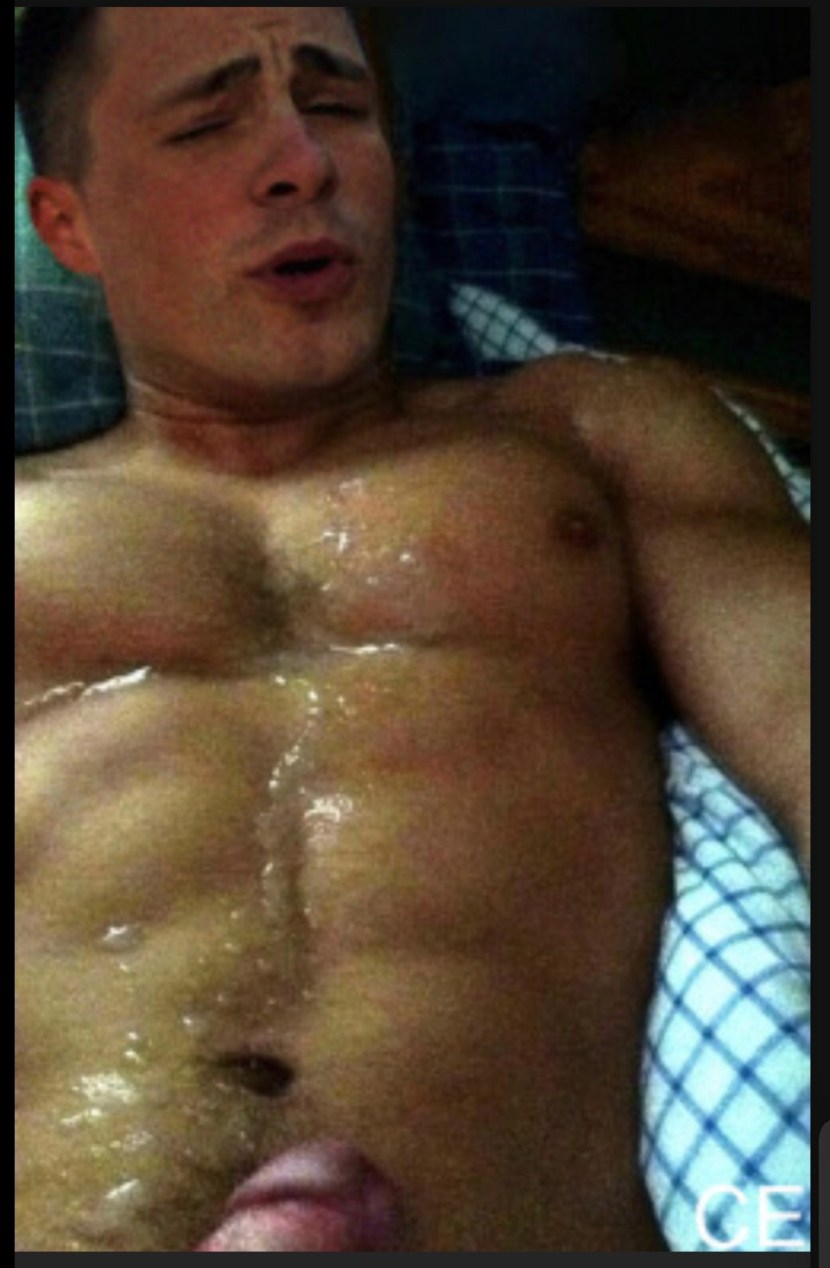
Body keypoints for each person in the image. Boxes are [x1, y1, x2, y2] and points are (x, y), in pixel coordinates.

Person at [14, 6, 809, 1253]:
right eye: (209, 123)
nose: (303, 163)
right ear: (70, 226)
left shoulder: (588, 437)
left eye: (336, 107)